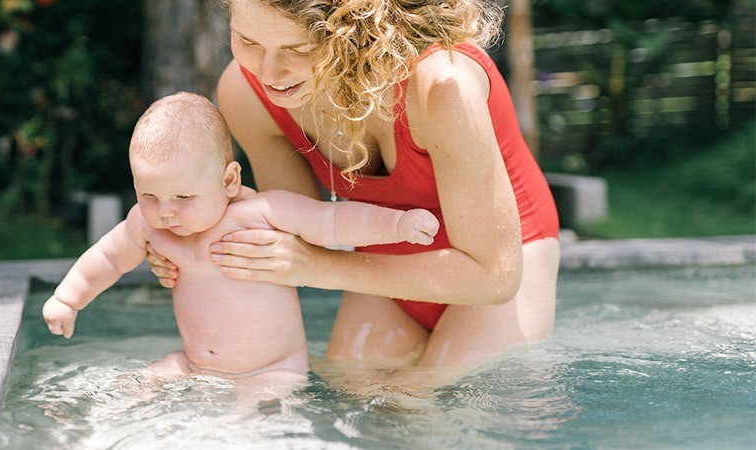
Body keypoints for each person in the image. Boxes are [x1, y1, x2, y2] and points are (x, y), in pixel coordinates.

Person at [147, 0, 561, 372]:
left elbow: (494, 277)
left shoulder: (441, 85)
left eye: (299, 49)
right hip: (382, 258)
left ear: (358, 32)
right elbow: (293, 231)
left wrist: (317, 267)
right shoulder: (246, 92)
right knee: (356, 402)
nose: (269, 74)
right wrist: (190, 244)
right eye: (248, 41)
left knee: (440, 412)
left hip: (501, 257)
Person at [43, 92, 440, 386]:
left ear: (229, 181)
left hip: (274, 370)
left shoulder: (261, 214)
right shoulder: (149, 226)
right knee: (131, 388)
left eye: (183, 197)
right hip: (195, 365)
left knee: (253, 428)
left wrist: (397, 226)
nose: (166, 211)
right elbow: (108, 259)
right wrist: (68, 298)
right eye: (148, 195)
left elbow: (334, 221)